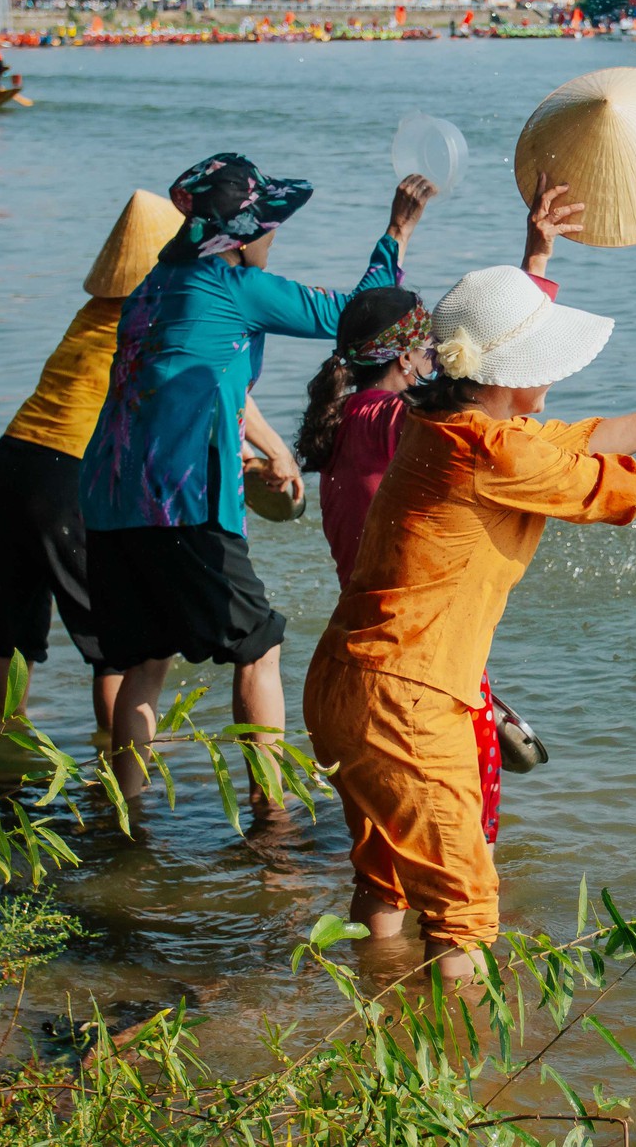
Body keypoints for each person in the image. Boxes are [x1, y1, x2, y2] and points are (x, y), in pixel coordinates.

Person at [303, 263, 636, 980]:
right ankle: (455, 1079)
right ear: (513, 373)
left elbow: (574, 442)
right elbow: (627, 489)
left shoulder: (443, 421)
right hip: (407, 702)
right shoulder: (488, 448)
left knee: (384, 877)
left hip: (345, 684)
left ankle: (371, 1021)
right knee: (465, 914)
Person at [79, 154, 429, 809]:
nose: (275, 238)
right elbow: (355, 316)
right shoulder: (229, 284)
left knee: (145, 662)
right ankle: (271, 815)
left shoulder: (153, 286)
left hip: (107, 498)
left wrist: (259, 447)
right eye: (268, 227)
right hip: (178, 507)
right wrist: (397, 235)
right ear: (241, 236)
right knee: (258, 645)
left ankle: (124, 824)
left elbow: (186, 385)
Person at [296, 180, 580, 850]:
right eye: (430, 349)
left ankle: (385, 960)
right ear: (404, 357)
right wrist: (534, 268)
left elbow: (384, 309)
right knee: (464, 849)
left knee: (386, 859)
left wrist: (527, 256)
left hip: (366, 659)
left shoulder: (344, 419)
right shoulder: (403, 423)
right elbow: (495, 385)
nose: (440, 363)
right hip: (420, 670)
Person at [0, 190, 178, 731]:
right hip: (63, 479)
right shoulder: (155, 319)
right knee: (115, 641)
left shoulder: (91, 312)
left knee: (13, 628)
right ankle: (119, 774)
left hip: (7, 467)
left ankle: (2, 750)